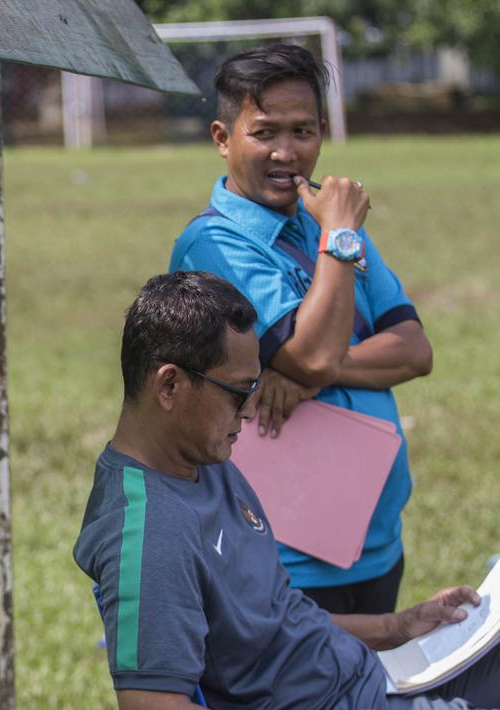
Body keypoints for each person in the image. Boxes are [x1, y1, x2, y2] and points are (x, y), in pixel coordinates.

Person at [73, 271, 498, 710]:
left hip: (375, 678)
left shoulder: (201, 460)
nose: (250, 409)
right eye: (239, 391)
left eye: (255, 388)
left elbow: (276, 617)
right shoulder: (151, 533)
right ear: (169, 386)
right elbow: (151, 704)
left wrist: (398, 627)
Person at [169, 43, 434, 614]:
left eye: (302, 131)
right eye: (264, 132)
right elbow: (313, 354)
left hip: (375, 543)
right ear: (222, 138)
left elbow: (414, 351)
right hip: (282, 555)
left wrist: (304, 370)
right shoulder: (214, 244)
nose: (285, 152)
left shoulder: (327, 231)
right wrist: (339, 239)